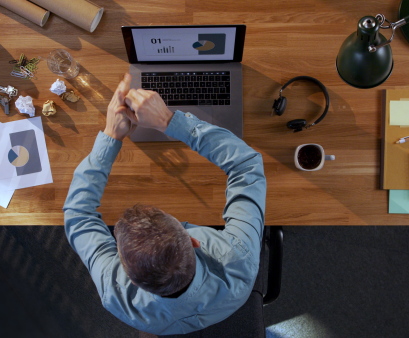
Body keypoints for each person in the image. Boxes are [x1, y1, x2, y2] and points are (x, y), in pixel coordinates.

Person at [63, 73, 266, 335]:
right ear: (193, 241)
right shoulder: (239, 258)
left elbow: (77, 215)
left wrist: (112, 134)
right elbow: (246, 165)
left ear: (125, 270)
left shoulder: (115, 294)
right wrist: (168, 121)